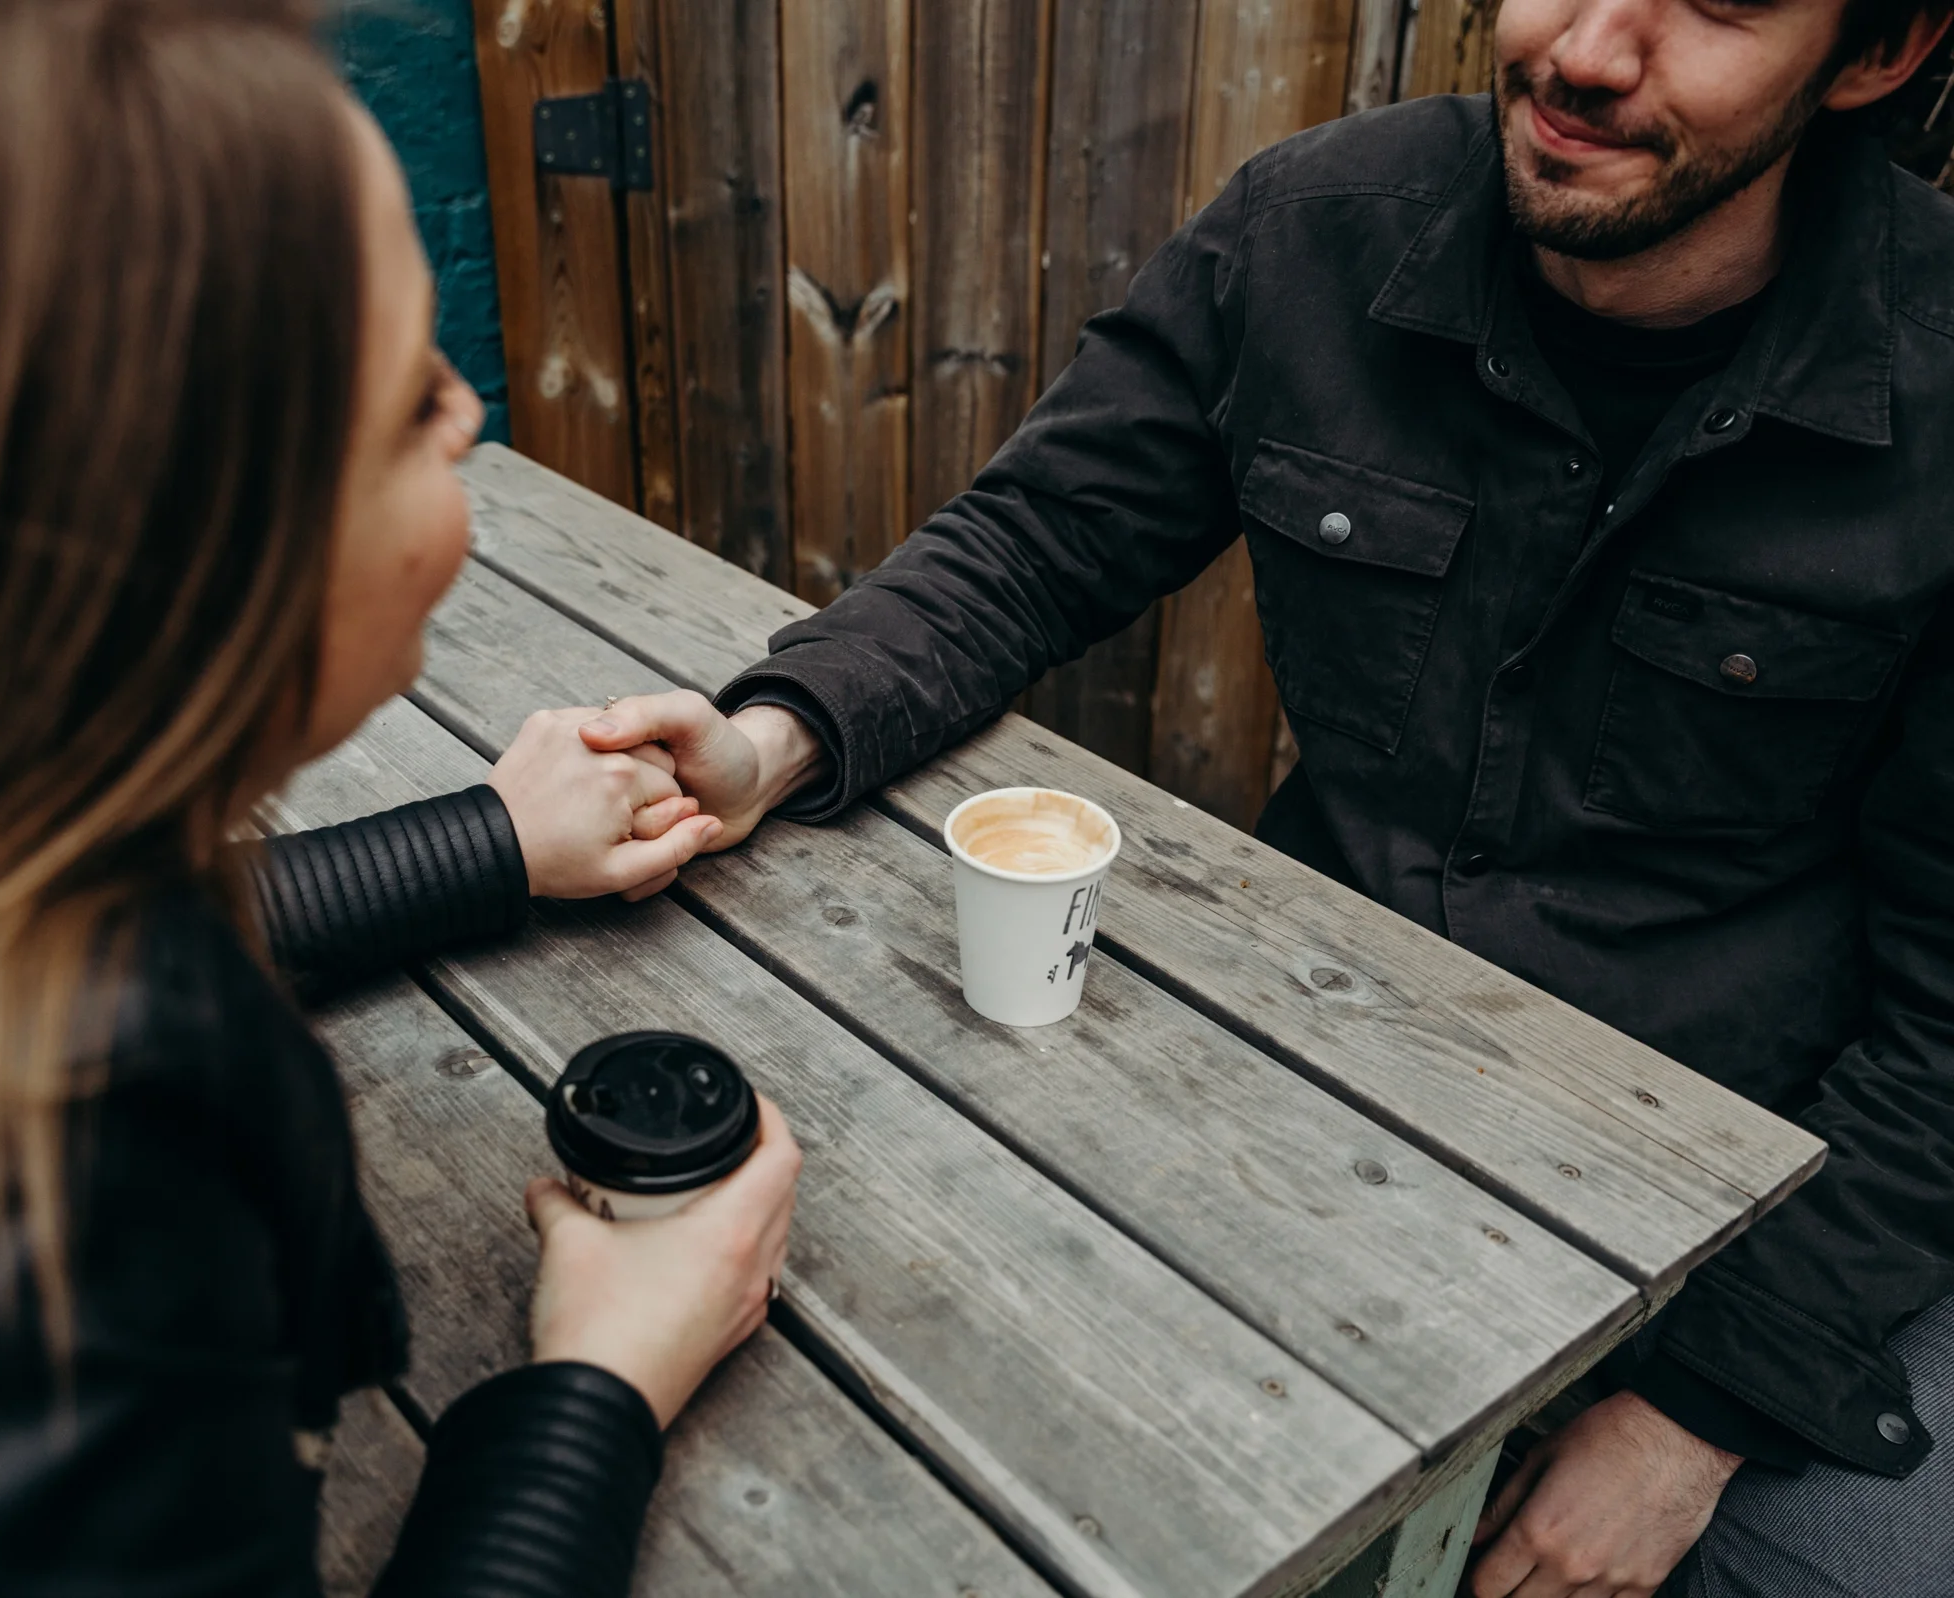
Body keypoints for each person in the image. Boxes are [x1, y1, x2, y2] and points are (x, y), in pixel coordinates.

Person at [578, 0, 1954, 1591]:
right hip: (1310, 1074)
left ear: (1877, 52)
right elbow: (1039, 538)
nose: (1583, 47)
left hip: (1752, 1189)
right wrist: (772, 741)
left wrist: (1695, 1410)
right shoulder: (1317, 225)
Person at [0, 2, 801, 1594]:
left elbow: (23, 940)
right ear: (169, 574)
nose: (471, 413)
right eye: (411, 404)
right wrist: (597, 1385)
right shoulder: (56, 1223)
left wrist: (485, 839)